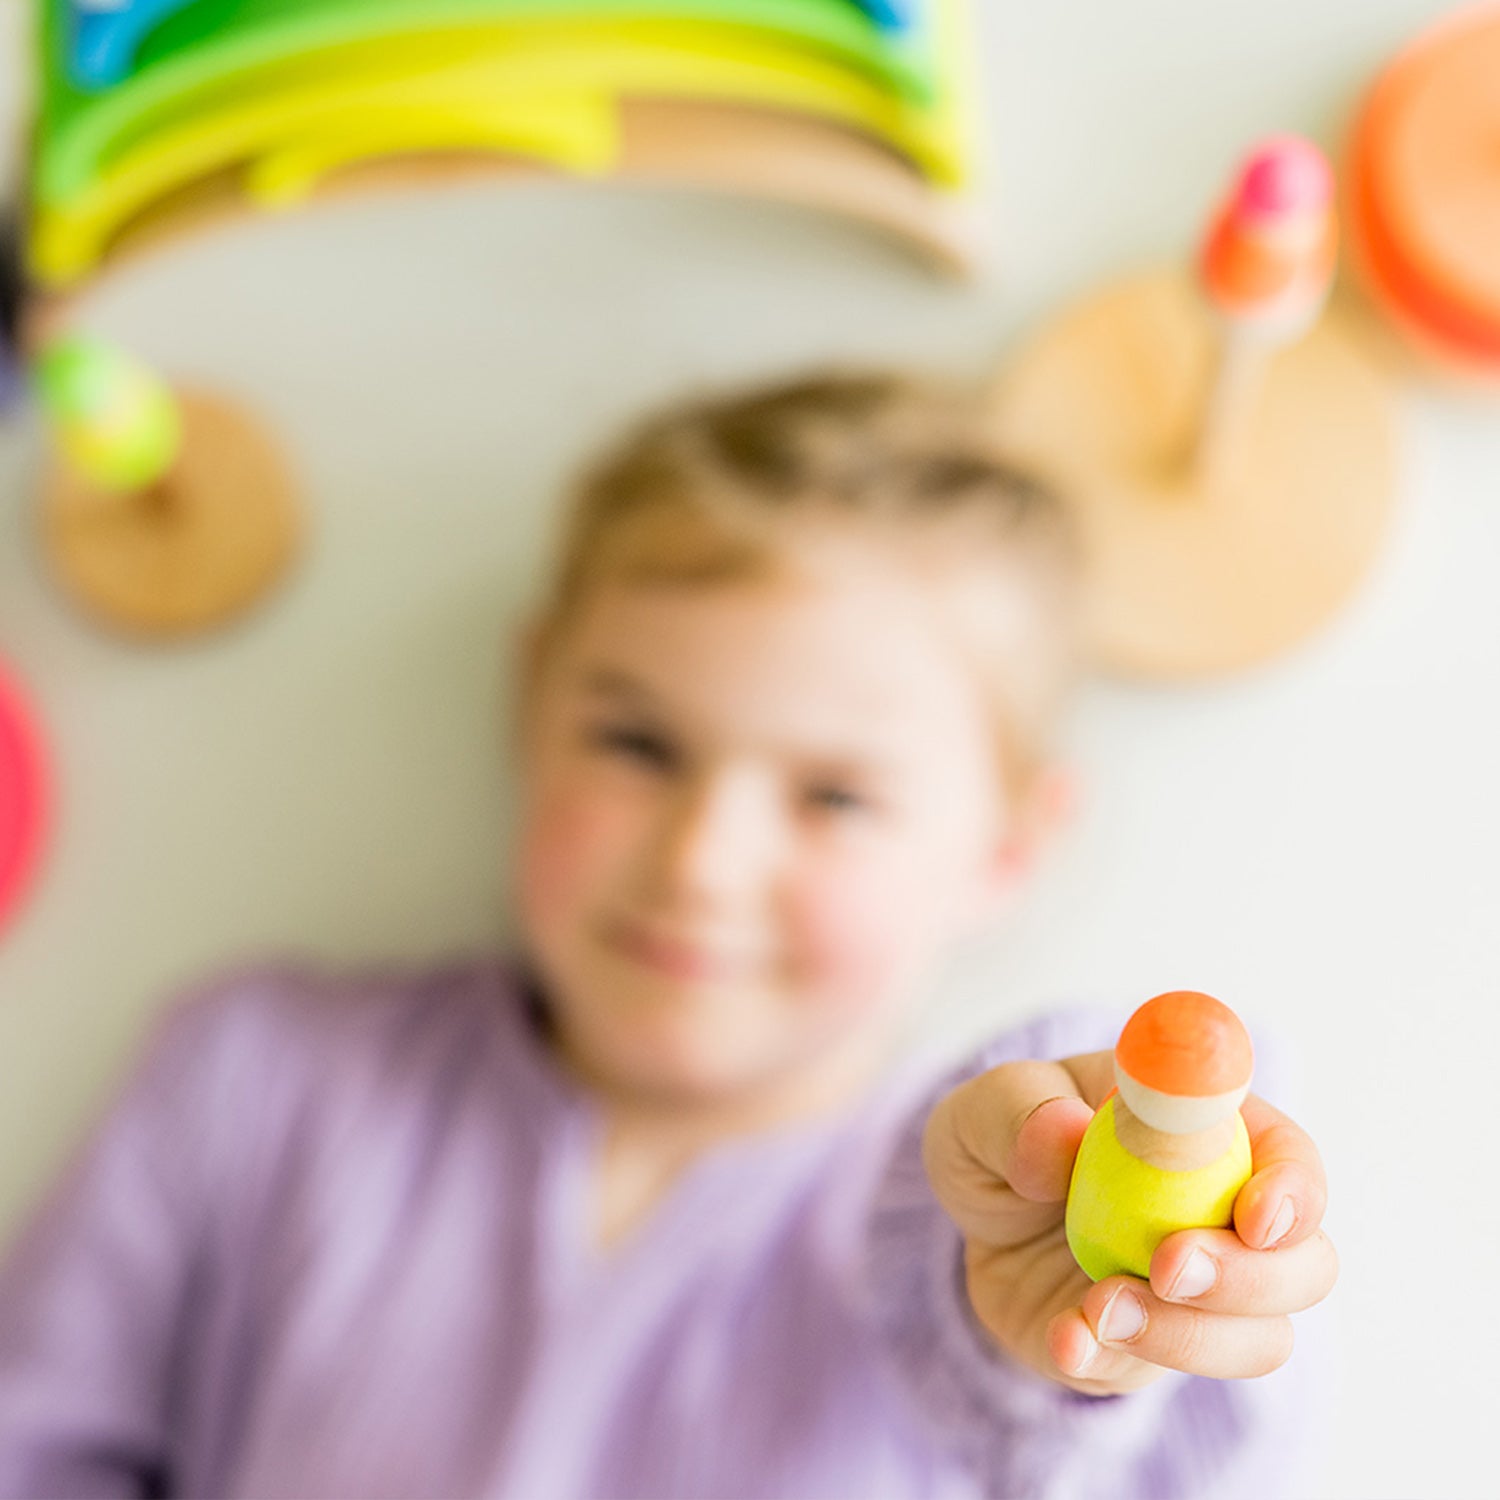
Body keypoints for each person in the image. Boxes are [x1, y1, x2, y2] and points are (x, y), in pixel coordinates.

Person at [0, 371, 1336, 1498]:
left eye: (836, 797)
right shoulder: (253, 1078)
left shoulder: (956, 1231)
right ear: (533, 703)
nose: (701, 862)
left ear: (1007, 848)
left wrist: (1071, 1299)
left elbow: (1069, 1395)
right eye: (638, 743)